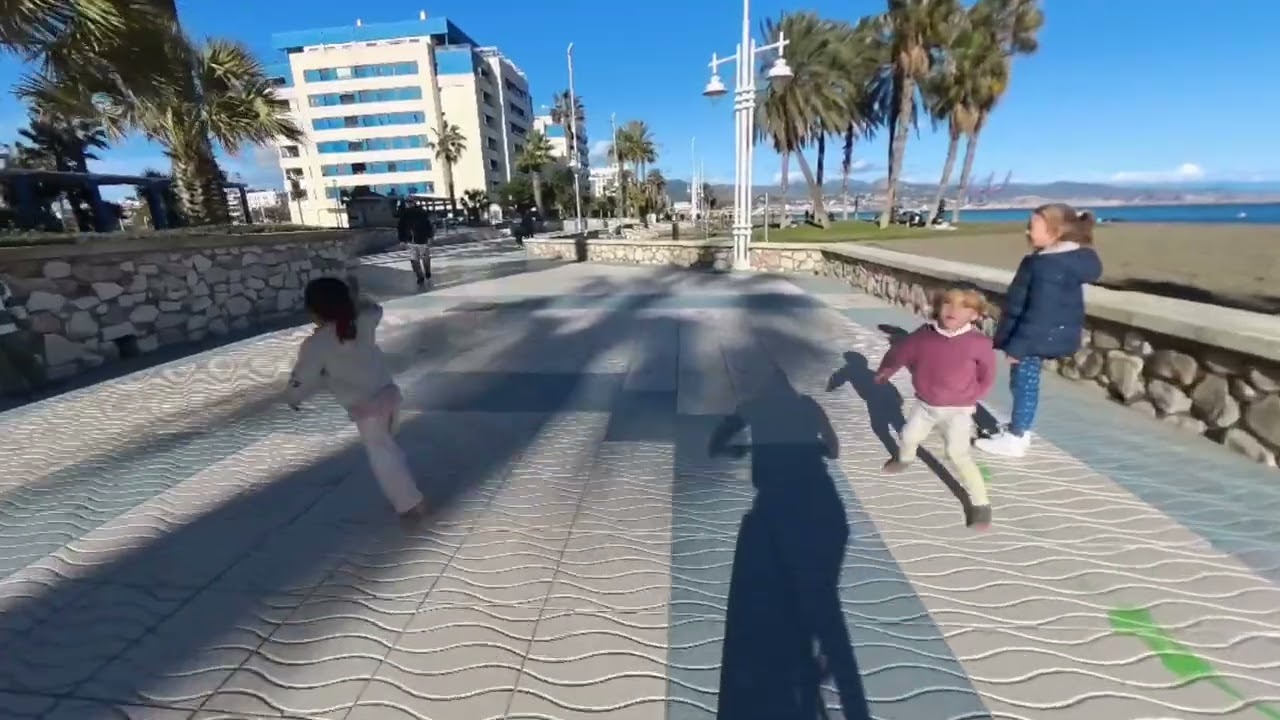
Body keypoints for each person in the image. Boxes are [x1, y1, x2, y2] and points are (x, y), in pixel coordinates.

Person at [286, 276, 428, 524]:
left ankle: (410, 503)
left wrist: (293, 397)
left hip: (367, 409)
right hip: (389, 395)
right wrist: (356, 295)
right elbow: (375, 307)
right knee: (389, 447)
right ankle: (406, 489)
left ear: (313, 310)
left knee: (381, 454)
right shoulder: (363, 321)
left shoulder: (316, 344)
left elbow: (302, 376)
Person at [976, 203, 1103, 458]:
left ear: (1056, 232)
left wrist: (1019, 347)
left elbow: (1040, 312)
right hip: (1040, 334)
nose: (1026, 231)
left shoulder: (1049, 266)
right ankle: (1018, 429)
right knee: (1023, 383)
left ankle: (1016, 438)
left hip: (1034, 337)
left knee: (1024, 384)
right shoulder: (1058, 259)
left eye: (1032, 227)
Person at [874, 287, 997, 529]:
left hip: (958, 411)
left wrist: (973, 396)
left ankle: (981, 504)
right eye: (948, 303)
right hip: (925, 404)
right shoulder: (923, 335)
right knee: (908, 436)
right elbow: (901, 352)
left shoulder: (979, 343)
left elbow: (987, 375)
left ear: (974, 315)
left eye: (964, 306)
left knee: (957, 454)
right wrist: (886, 370)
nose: (953, 310)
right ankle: (905, 459)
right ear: (938, 307)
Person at [397, 201, 434, 286]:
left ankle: (427, 272)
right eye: (407, 202)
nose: (409, 204)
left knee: (424, 258)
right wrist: (402, 240)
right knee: (414, 259)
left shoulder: (420, 212)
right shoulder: (404, 214)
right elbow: (400, 228)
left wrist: (429, 236)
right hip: (411, 240)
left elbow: (428, 225)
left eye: (410, 202)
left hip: (421, 239)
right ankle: (420, 276)